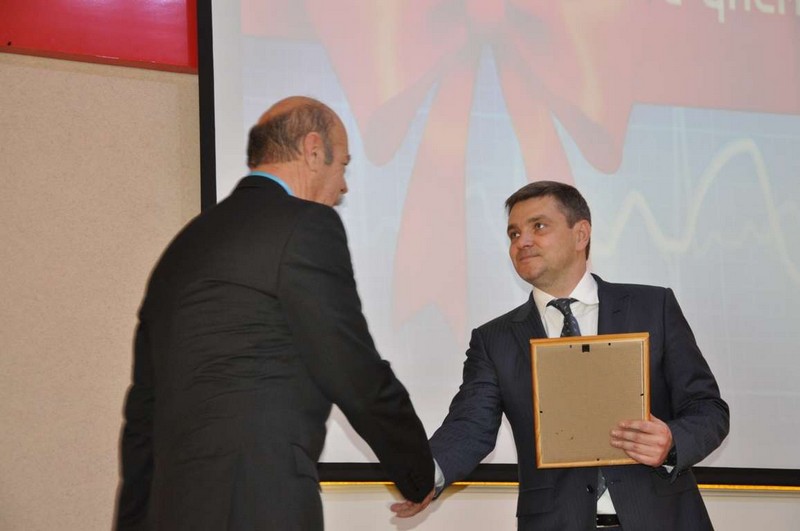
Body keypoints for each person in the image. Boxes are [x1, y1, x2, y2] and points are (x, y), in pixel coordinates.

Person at [115, 96, 434, 530]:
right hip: (258, 503)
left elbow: (142, 415)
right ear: (313, 149)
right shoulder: (306, 225)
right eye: (343, 165)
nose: (343, 187)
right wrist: (418, 472)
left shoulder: (183, 246)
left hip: (169, 510)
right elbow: (352, 369)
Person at [392, 181, 729, 530]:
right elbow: (470, 427)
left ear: (581, 234)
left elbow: (708, 409)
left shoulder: (652, 307)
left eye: (538, 226)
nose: (522, 241)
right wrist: (426, 473)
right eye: (513, 233)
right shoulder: (494, 340)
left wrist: (672, 442)